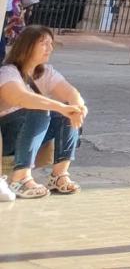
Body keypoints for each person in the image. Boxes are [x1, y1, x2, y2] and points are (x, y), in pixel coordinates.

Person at [0, 25, 87, 199]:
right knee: (41, 111)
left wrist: (77, 108)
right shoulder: (7, 72)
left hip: (30, 132)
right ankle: (21, 178)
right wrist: (61, 107)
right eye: (43, 43)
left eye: (50, 43)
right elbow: (22, 98)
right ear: (27, 46)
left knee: (65, 114)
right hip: (8, 135)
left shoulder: (46, 72)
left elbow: (70, 92)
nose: (50, 48)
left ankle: (59, 175)